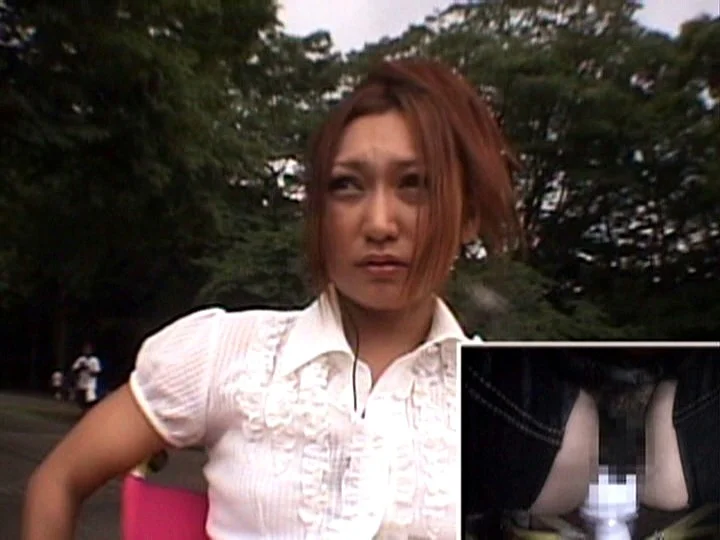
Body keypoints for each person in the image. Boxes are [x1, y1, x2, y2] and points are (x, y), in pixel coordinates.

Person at [22, 58, 522, 539]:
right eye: (347, 186)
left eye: (415, 185)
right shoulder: (225, 353)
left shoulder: (513, 405)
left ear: (469, 215)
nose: (378, 224)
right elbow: (58, 481)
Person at [70, 342, 103, 412]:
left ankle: (90, 412)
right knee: (81, 401)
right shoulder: (81, 359)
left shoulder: (94, 360)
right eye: (85, 349)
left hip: (90, 384)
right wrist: (81, 367)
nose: (86, 351)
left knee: (90, 401)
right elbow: (74, 370)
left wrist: (88, 369)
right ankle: (84, 412)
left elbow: (97, 372)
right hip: (81, 383)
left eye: (88, 349)